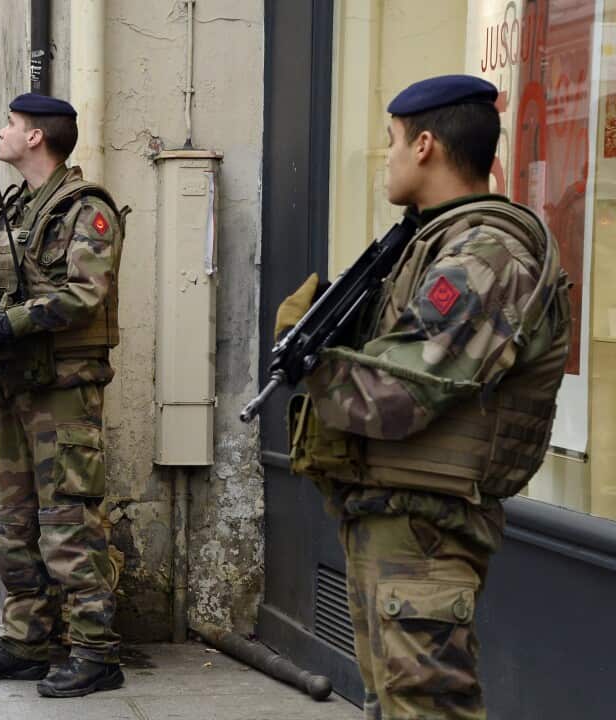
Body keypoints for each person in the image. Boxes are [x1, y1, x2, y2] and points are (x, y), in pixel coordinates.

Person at [279, 75, 571, 719]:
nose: (385, 157)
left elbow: (395, 397)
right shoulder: (433, 242)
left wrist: (309, 357)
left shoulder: (484, 255)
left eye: (391, 141)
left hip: (427, 529)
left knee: (427, 707)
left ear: (426, 146)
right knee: (396, 704)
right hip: (397, 516)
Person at [0, 93, 126, 698]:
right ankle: (27, 640)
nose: (1, 131)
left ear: (35, 138)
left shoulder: (84, 208)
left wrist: (9, 323)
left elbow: (85, 293)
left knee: (69, 519)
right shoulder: (10, 209)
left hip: (64, 392)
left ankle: (96, 650)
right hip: (17, 386)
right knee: (17, 521)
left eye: (11, 124)